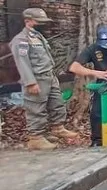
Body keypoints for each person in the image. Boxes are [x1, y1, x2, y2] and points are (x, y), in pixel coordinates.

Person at [10, 8, 78, 150]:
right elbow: (22, 63)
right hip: (37, 79)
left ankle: (57, 128)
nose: (42, 24)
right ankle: (35, 138)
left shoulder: (38, 36)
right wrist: (30, 82)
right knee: (36, 108)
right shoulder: (21, 40)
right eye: (38, 21)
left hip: (49, 76)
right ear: (28, 21)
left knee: (57, 103)